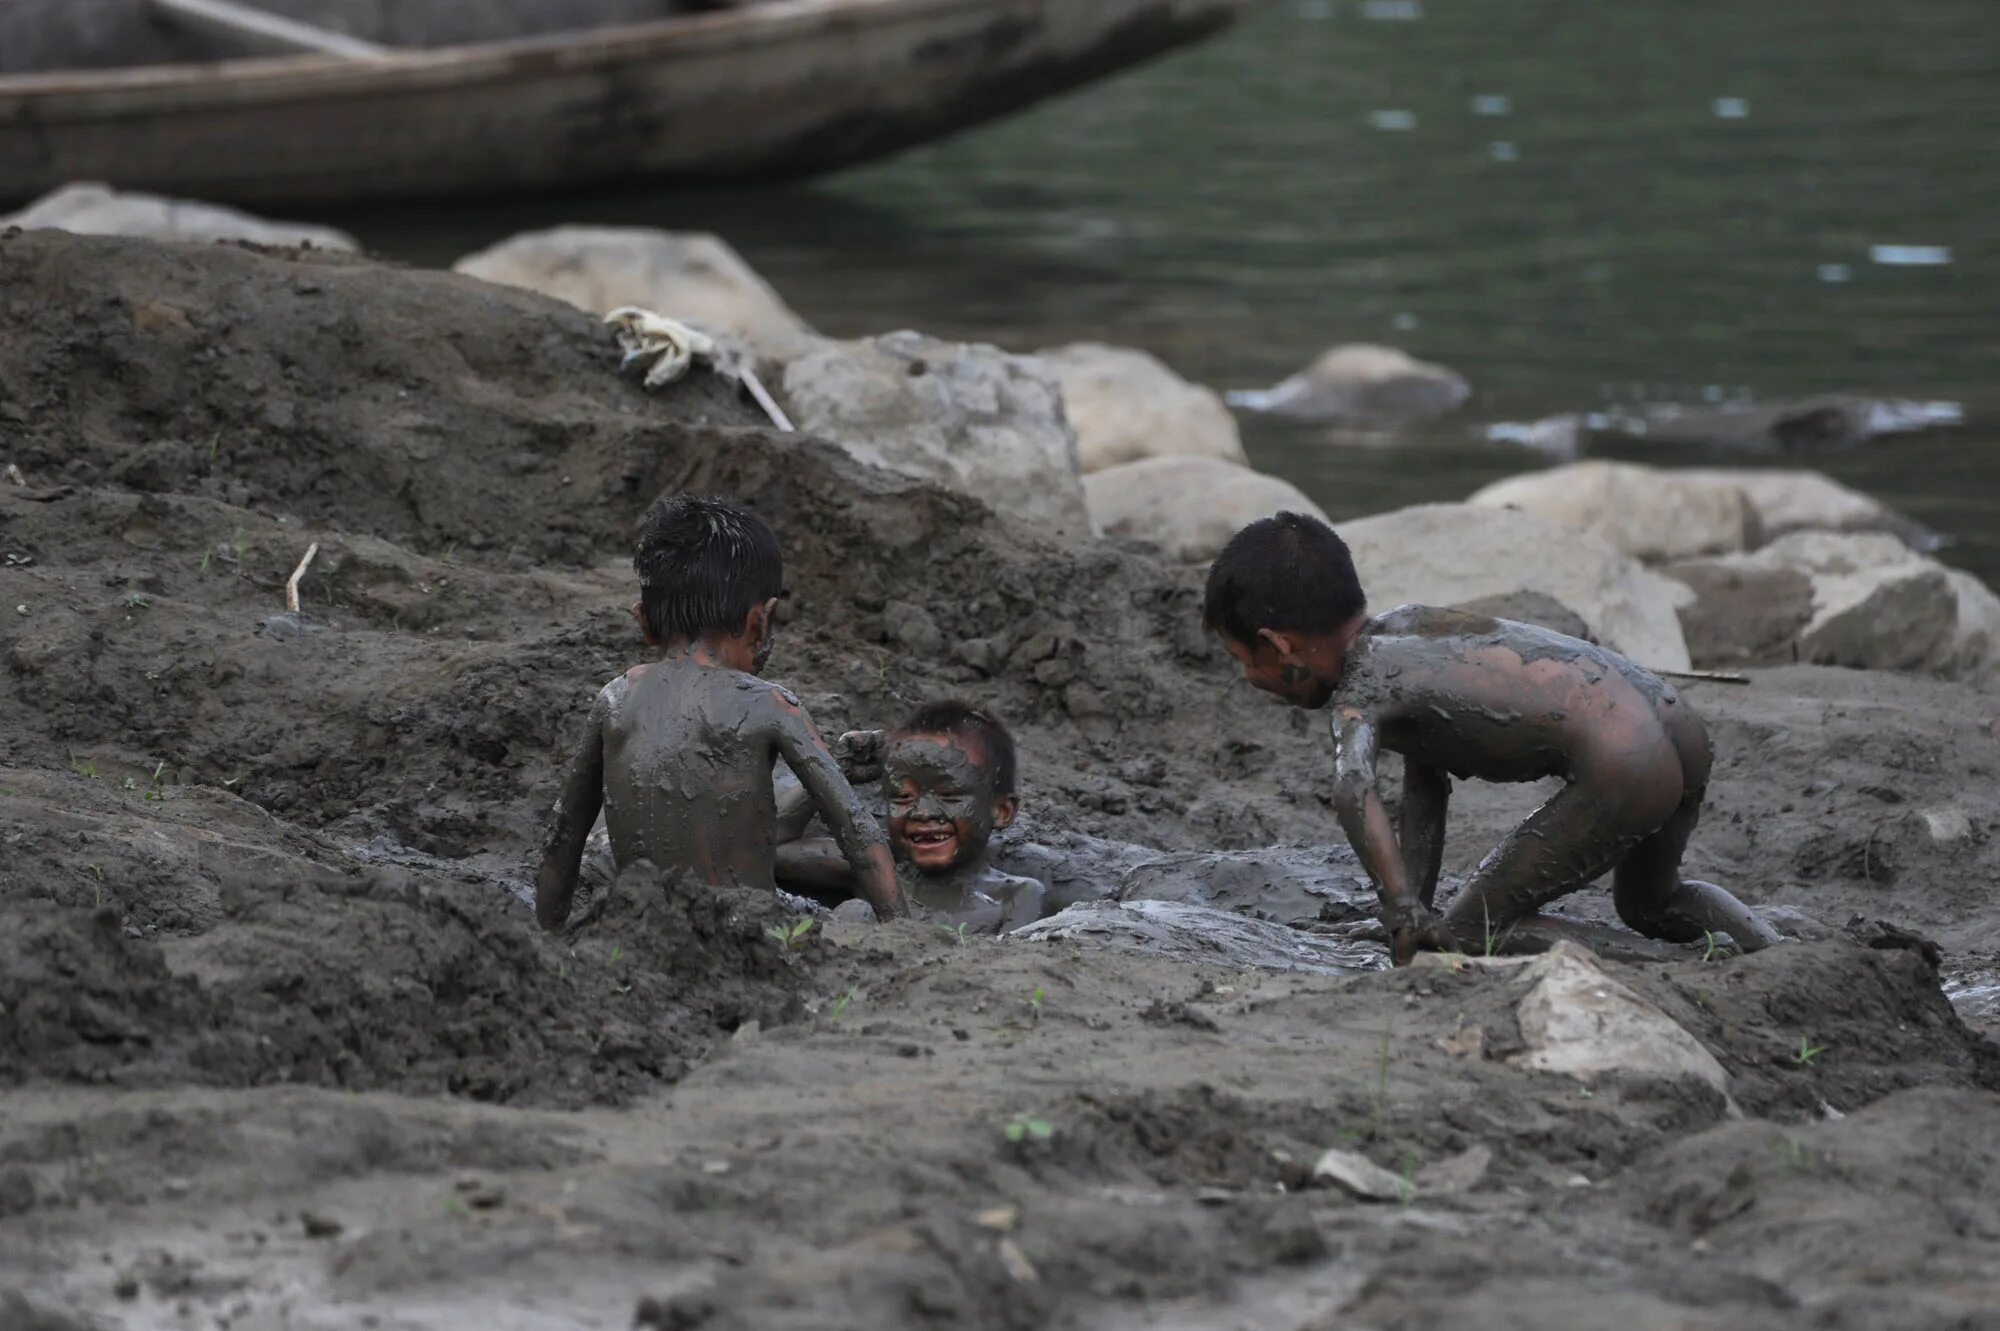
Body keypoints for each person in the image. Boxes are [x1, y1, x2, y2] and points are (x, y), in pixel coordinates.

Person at [1201, 511, 1780, 965]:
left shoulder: (1363, 687)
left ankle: (1679, 969)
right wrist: (1413, 900)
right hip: (1678, 727)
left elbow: (1354, 790)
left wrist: (1405, 914)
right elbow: (1425, 792)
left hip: (1625, 764)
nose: (1248, 678)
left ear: (1277, 645)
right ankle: (1773, 951)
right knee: (1652, 902)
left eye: (1242, 659)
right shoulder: (1411, 626)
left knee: (1471, 932)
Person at [533, 495, 904, 930]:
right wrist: (906, 935)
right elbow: (859, 834)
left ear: (644, 622)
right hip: (742, 938)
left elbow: (563, 837)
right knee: (855, 913)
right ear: (760, 622)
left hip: (641, 929)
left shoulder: (614, 699)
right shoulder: (770, 703)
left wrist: (550, 937)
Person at [775, 701, 1045, 934]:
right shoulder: (876, 870)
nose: (923, 812)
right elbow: (769, 846)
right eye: (903, 797)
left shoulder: (1015, 895)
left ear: (1002, 811)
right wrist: (834, 771)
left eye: (949, 795)